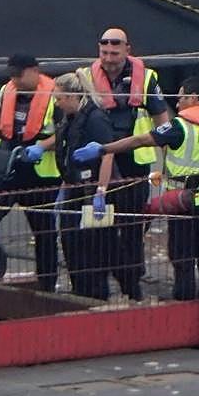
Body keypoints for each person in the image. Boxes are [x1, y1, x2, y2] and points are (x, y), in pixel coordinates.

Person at [75, 76, 199, 300]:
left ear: (193, 97)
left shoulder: (179, 127)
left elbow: (139, 141)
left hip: (182, 204)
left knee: (183, 262)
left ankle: (186, 311)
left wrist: (103, 148)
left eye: (180, 97)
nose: (177, 104)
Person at [77, 27, 169, 301]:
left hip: (134, 164)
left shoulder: (148, 78)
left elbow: (162, 121)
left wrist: (167, 163)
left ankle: (132, 281)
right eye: (104, 52)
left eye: (115, 52)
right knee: (97, 228)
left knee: (131, 228)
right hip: (97, 162)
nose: (109, 58)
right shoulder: (85, 77)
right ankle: (100, 283)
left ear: (128, 50)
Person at [0, 54, 62, 292]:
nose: (15, 80)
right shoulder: (7, 90)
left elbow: (66, 132)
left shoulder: (56, 94)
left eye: (19, 75)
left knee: (43, 231)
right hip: (9, 167)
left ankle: (47, 284)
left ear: (34, 71)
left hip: (42, 174)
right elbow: (3, 123)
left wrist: (42, 146)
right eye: (12, 75)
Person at [51, 72, 117, 300]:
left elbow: (108, 153)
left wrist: (101, 191)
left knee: (94, 250)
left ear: (72, 96)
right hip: (73, 188)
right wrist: (63, 189)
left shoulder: (95, 118)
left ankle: (97, 295)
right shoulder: (67, 119)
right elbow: (67, 156)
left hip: (92, 190)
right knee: (71, 244)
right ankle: (79, 292)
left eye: (59, 98)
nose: (56, 102)